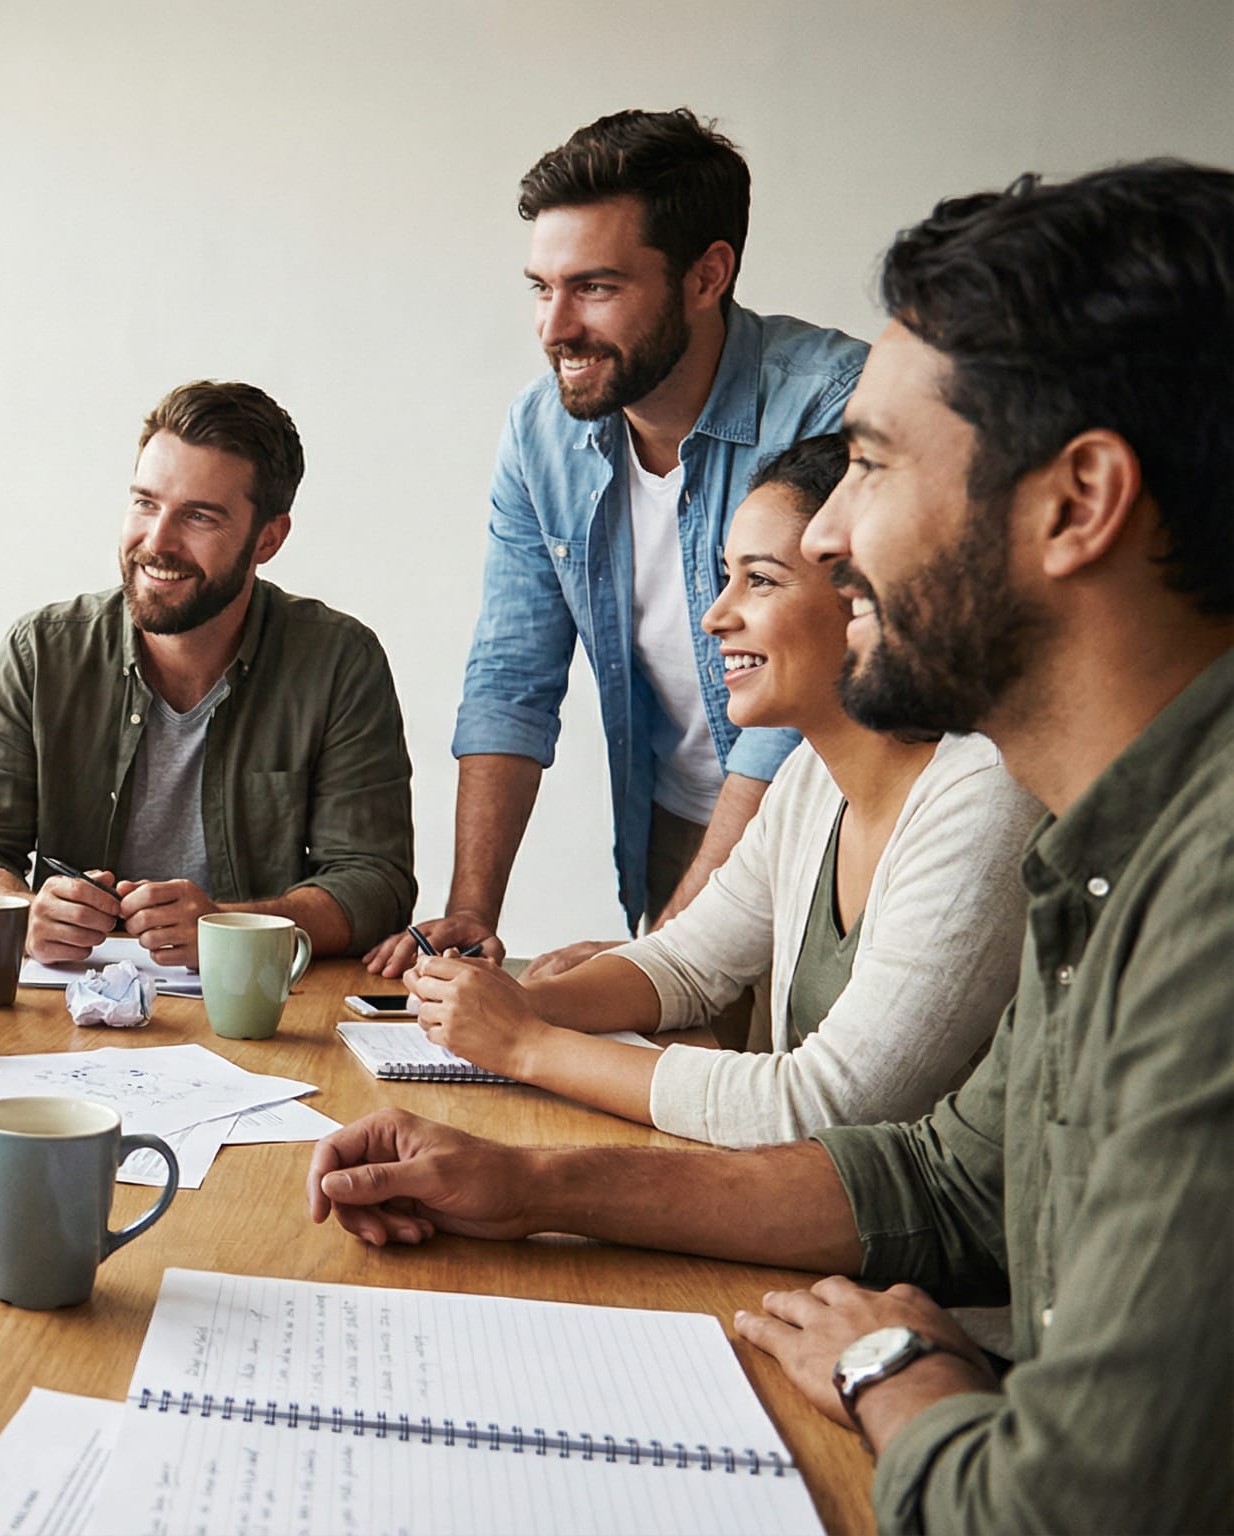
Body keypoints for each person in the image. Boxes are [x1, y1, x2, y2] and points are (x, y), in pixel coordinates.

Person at [309, 161, 1234, 1532]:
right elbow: (947, 1179)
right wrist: (528, 1183)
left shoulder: (1204, 893)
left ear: (1078, 500)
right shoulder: (1104, 847)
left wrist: (897, 1374)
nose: (834, 537)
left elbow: (1060, 1514)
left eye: (871, 466)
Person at [404, 433, 1042, 1145]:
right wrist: (517, 1003)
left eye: (760, 580)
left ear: (870, 592)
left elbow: (820, 1108)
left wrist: (527, 1044)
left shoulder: (985, 797)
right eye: (725, 575)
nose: (715, 615)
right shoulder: (809, 778)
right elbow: (686, 962)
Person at [371, 108, 869, 986]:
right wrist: (472, 915)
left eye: (594, 288)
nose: (554, 327)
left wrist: (664, 951)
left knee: (785, 1072)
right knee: (661, 1064)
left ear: (707, 275)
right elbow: (511, 678)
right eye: (542, 287)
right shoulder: (542, 433)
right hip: (674, 822)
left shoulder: (834, 408)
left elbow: (807, 704)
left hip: (830, 823)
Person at [0, 380, 415, 970]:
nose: (157, 541)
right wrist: (23, 913)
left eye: (199, 516)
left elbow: (375, 883)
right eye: (145, 503)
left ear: (268, 539)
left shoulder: (338, 661)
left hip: (259, 1001)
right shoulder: (41, 651)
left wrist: (227, 927)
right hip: (70, 1002)